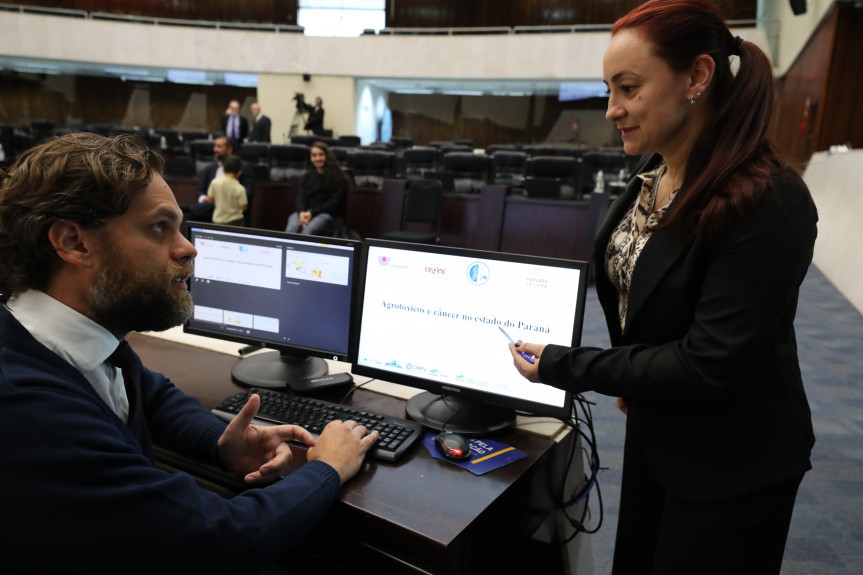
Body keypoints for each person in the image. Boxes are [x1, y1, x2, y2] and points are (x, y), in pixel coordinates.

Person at [507, 1, 817, 573]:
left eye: (628, 88)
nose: (612, 109)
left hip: (733, 460)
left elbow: (709, 363)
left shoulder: (767, 199)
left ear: (697, 77)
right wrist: (634, 368)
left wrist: (572, 365)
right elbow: (643, 292)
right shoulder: (653, 175)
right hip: (663, 432)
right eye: (608, 90)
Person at [0, 132, 379, 574]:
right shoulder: (29, 406)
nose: (188, 248)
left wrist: (220, 443)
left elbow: (148, 390)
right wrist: (329, 467)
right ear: (73, 242)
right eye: (159, 226)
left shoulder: (62, 337)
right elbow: (223, 535)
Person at [285, 141, 350, 237]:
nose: (317, 158)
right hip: (305, 213)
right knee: (291, 228)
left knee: (308, 232)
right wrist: (302, 212)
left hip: (326, 215)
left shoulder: (339, 178)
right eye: (314, 155)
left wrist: (312, 213)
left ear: (327, 156)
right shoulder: (307, 176)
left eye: (321, 155)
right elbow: (301, 197)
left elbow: (333, 204)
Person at [187, 135, 255, 224]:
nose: (215, 149)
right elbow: (200, 190)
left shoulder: (242, 167)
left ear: (229, 149)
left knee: (194, 210)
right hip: (210, 207)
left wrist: (225, 198)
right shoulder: (210, 168)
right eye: (215, 146)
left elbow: (249, 191)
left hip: (232, 210)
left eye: (219, 146)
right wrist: (204, 198)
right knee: (192, 214)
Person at [204, 154, 248, 226]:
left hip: (217, 220)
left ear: (223, 170)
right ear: (240, 172)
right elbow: (243, 207)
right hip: (235, 221)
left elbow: (210, 200)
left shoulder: (214, 182)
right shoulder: (240, 188)